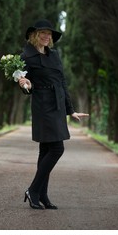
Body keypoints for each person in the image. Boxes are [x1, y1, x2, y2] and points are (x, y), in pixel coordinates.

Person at [19, 19, 89, 210]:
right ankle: (33, 190)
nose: (46, 36)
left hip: (57, 105)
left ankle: (42, 194)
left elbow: (62, 82)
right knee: (57, 149)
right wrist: (26, 85)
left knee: (46, 150)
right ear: (35, 35)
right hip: (42, 105)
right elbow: (25, 85)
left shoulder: (55, 55)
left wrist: (71, 109)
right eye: (43, 32)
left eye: (49, 34)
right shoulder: (26, 56)